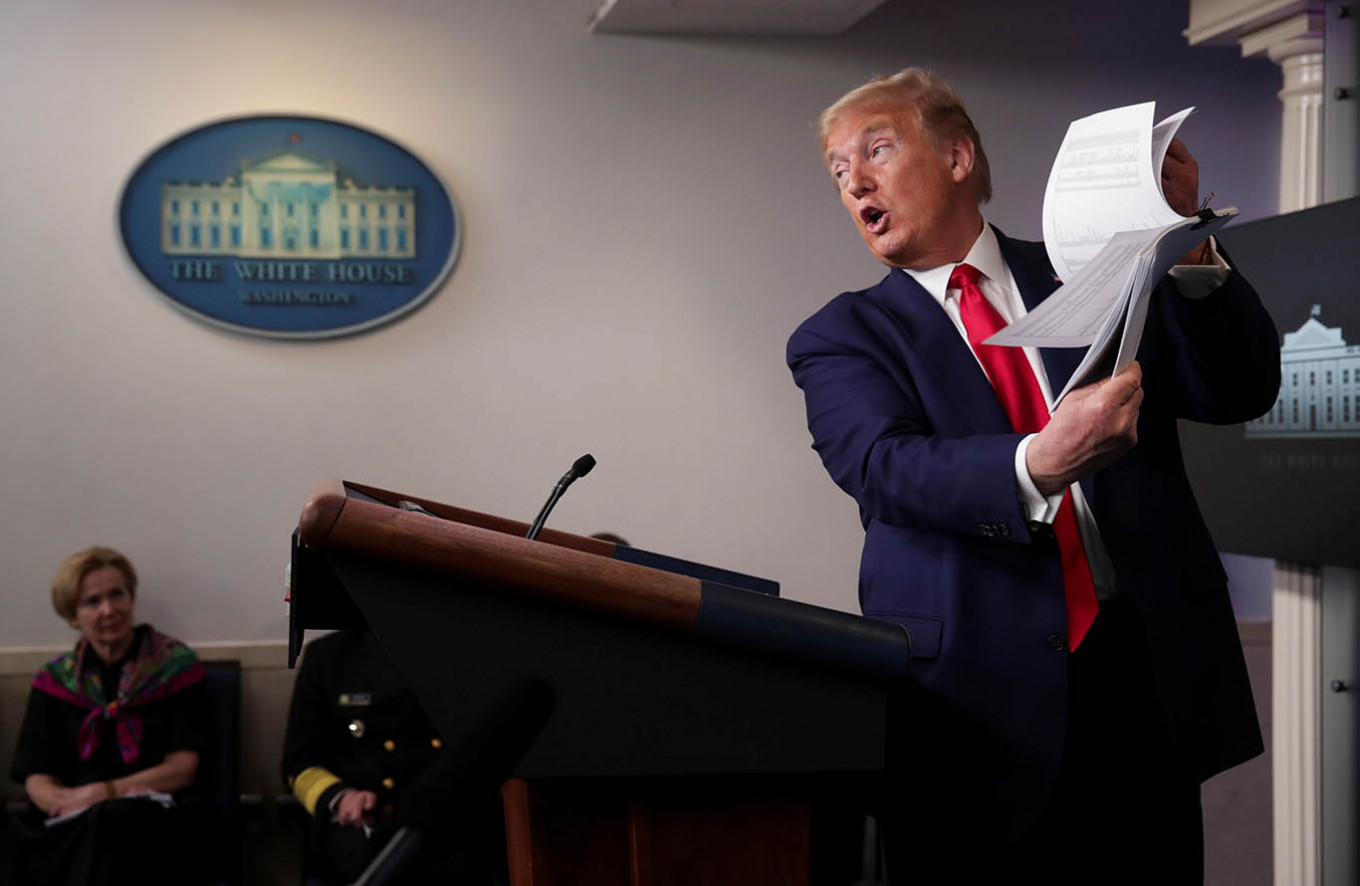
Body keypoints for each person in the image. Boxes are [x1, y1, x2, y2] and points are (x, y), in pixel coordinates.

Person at [786, 69, 1281, 884]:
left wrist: (1186, 240)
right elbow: (882, 469)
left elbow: (1238, 388)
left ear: (956, 155)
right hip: (974, 716)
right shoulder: (842, 334)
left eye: (876, 150)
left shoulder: (1092, 268)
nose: (856, 182)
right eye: (840, 172)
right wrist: (1037, 462)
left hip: (1141, 684)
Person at [9, 546, 213, 885]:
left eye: (116, 595)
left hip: (154, 817)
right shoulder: (54, 680)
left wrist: (101, 793)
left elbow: (183, 769)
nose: (109, 609)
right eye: (93, 601)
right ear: (73, 614)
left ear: (131, 598)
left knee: (114, 823)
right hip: (74, 817)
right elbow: (35, 774)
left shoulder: (175, 667)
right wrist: (62, 802)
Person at [282, 628, 507, 884]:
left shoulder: (464, 653)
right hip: (363, 827)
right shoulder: (329, 656)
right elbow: (298, 762)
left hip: (451, 823)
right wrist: (342, 797)